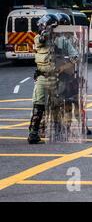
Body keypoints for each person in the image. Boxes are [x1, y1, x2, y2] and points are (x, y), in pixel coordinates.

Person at [28, 14, 59, 144]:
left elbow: (74, 55)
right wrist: (46, 31)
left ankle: (56, 130)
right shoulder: (37, 38)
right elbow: (41, 39)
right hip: (42, 76)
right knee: (38, 104)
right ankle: (33, 132)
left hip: (55, 77)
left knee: (56, 105)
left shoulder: (60, 40)